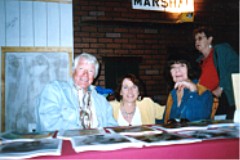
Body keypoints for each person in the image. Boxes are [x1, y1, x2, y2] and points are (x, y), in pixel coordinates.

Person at [37, 53, 117, 131]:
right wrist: (84, 133)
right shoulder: (55, 90)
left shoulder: (101, 101)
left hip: (98, 142)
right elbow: (49, 123)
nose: (85, 74)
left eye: (90, 71)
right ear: (73, 71)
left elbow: (112, 127)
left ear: (94, 76)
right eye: (81, 69)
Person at [193, 26, 239, 119]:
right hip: (208, 102)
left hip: (224, 100)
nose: (197, 42)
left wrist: (221, 88)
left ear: (210, 39)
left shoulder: (220, 50)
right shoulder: (200, 61)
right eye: (195, 40)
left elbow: (233, 68)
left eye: (200, 38)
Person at [163, 57, 213, 124]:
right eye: (173, 67)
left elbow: (195, 121)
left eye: (182, 66)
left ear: (190, 69)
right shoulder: (173, 94)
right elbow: (165, 121)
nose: (177, 70)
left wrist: (193, 91)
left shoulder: (203, 92)